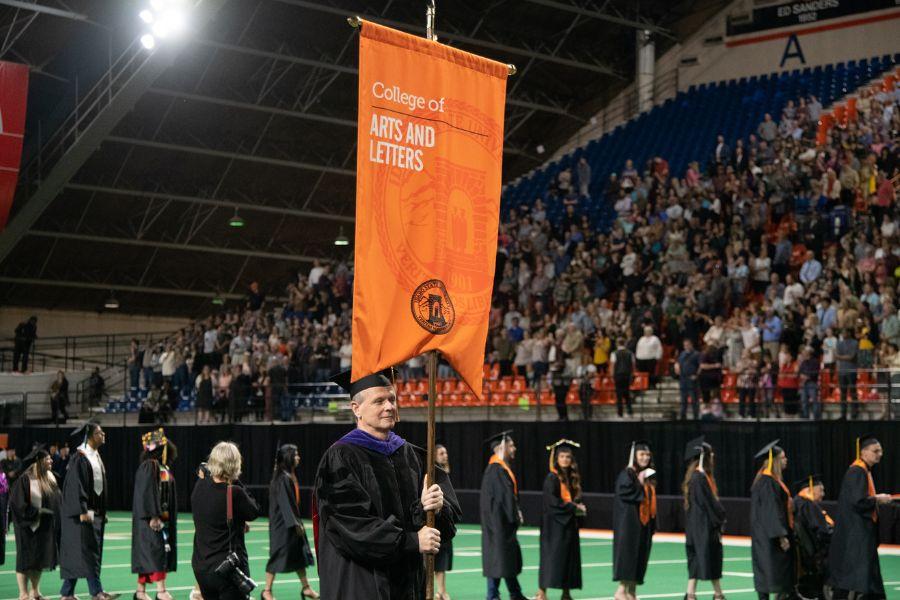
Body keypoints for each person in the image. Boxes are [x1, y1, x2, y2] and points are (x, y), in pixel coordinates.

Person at [314, 367, 460, 599]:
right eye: (379, 401)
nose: (389, 406)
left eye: (392, 399)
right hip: (363, 585)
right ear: (356, 409)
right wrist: (411, 541)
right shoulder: (340, 458)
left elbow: (445, 528)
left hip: (409, 584)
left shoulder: (413, 456)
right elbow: (351, 528)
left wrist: (436, 508)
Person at [191, 442, 260, 600]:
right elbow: (254, 510)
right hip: (227, 570)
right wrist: (235, 480)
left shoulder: (199, 486)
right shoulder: (234, 492)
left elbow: (212, 514)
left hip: (202, 567)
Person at [828, 434, 892, 599]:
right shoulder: (857, 471)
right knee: (853, 576)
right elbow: (858, 502)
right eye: (875, 451)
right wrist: (878, 499)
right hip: (857, 533)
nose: (879, 454)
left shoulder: (862, 471)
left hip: (859, 532)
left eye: (881, 451)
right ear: (863, 452)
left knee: (863, 576)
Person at [60, 422, 115, 600]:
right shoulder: (80, 458)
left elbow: (98, 486)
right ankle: (96, 592)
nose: (103, 434)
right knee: (86, 552)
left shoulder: (95, 456)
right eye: (100, 432)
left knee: (85, 553)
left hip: (94, 514)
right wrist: (82, 509)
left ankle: (67, 593)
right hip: (82, 515)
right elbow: (77, 486)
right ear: (90, 436)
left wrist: (102, 511)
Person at [263, 444, 318, 600]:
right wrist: (295, 524)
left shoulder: (287, 475)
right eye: (295, 455)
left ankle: (306, 588)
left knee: (298, 555)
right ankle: (267, 591)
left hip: (290, 523)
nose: (298, 457)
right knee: (277, 554)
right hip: (283, 525)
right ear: (288, 457)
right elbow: (285, 503)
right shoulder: (282, 479)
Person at [132, 429, 178, 600]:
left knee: (150, 554)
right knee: (156, 553)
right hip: (152, 520)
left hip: (158, 519)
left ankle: (140, 592)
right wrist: (153, 515)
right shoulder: (149, 466)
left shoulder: (159, 466)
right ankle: (161, 591)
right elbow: (147, 493)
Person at [10, 445, 61, 600]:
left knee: (39, 559)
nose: (51, 460)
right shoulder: (25, 479)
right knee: (25, 560)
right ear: (39, 461)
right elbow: (17, 503)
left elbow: (58, 499)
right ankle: (23, 593)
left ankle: (35, 592)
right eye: (47, 459)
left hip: (43, 526)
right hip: (26, 526)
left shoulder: (50, 477)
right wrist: (35, 512)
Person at [481, 430, 527, 600]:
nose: (514, 448)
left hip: (498, 524)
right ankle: (493, 595)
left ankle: (515, 593)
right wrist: (515, 515)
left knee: (503, 560)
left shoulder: (496, 469)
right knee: (499, 559)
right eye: (511, 445)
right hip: (499, 525)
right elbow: (505, 498)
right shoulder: (497, 470)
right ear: (502, 447)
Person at [536, 440, 585, 600]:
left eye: (568, 457)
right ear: (556, 459)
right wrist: (573, 508)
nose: (565, 460)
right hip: (553, 526)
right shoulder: (552, 478)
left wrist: (578, 507)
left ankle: (566, 592)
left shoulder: (572, 478)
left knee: (568, 559)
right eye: (562, 456)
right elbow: (552, 502)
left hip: (568, 525)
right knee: (550, 558)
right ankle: (542, 592)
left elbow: (574, 500)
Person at [750, 440, 795, 599]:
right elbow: (772, 510)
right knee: (772, 570)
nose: (786, 460)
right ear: (774, 461)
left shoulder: (764, 480)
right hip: (771, 536)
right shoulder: (767, 482)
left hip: (763, 534)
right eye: (782, 458)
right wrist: (781, 535)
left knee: (766, 571)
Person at [682, 437, 726, 600]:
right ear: (704, 457)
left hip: (696, 527)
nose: (713, 456)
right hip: (704, 527)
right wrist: (721, 518)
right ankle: (717, 595)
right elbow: (709, 504)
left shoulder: (695, 477)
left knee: (697, 560)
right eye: (711, 454)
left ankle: (692, 594)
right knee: (709, 558)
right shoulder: (700, 478)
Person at [613, 441, 656, 600]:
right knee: (629, 555)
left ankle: (632, 591)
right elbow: (626, 494)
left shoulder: (648, 474)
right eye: (641, 455)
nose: (645, 458)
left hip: (644, 523)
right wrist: (639, 481)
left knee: (640, 556)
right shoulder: (627, 474)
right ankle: (621, 591)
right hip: (629, 523)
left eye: (647, 455)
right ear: (634, 457)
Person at [793, 474, 833, 599]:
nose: (823, 494)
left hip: (804, 556)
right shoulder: (808, 506)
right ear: (810, 489)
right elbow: (823, 533)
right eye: (821, 490)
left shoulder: (796, 502)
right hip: (817, 556)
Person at [434, 444, 453, 600]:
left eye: (445, 452)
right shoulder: (435, 474)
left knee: (443, 559)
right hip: (437, 521)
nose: (445, 455)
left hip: (445, 520)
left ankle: (441, 591)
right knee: (438, 559)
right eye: (441, 453)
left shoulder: (445, 473)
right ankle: (441, 591)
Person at [675, 339, 701, 420]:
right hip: (683, 379)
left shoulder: (696, 354)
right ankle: (683, 416)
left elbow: (700, 366)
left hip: (692, 379)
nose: (686, 347)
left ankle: (695, 416)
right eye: (685, 345)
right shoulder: (682, 354)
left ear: (691, 345)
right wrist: (677, 366)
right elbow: (678, 362)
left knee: (694, 399)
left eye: (687, 345)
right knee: (683, 399)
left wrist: (696, 375)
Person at [610, 338, 636, 417]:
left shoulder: (614, 353)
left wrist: (612, 375)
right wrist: (632, 374)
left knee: (619, 394)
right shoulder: (630, 353)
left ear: (617, 344)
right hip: (627, 375)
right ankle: (629, 410)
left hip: (618, 375)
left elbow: (612, 365)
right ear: (624, 344)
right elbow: (633, 364)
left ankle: (620, 412)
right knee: (627, 392)